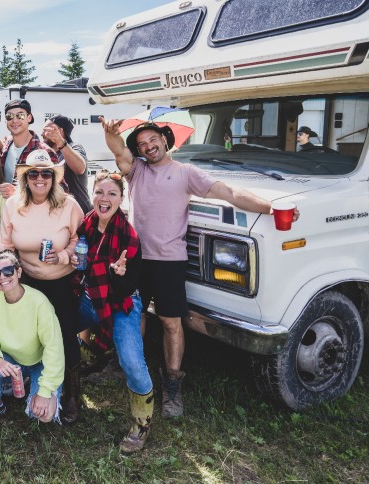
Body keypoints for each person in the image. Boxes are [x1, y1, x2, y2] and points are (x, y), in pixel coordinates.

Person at [101, 119, 300, 418]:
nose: (148, 147)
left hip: (170, 260)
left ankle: (172, 384)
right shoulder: (137, 170)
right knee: (134, 314)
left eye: (152, 140)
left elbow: (229, 192)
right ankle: (127, 366)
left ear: (165, 139)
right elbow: (119, 152)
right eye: (141, 144)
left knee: (170, 322)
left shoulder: (186, 173)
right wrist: (111, 134)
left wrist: (269, 207)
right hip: (137, 257)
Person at [0, 149, 84, 423]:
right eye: (33, 173)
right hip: (28, 282)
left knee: (65, 334)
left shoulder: (69, 205)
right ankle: (35, 383)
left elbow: (80, 241)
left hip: (61, 282)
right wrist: (5, 277)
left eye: (46, 173)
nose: (40, 178)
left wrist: (64, 255)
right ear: (25, 178)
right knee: (31, 334)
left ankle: (72, 392)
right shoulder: (13, 205)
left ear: (54, 177)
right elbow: (5, 245)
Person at [71, 170, 153, 453]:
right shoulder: (86, 225)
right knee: (59, 329)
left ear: (121, 198)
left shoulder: (129, 237)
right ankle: (70, 391)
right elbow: (81, 268)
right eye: (99, 192)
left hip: (122, 301)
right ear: (92, 194)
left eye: (112, 194)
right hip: (91, 296)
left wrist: (117, 275)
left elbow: (129, 286)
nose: (104, 199)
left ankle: (141, 425)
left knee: (132, 362)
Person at [0, 251, 65, 427]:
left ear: (19, 272)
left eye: (8, 271)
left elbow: (54, 349)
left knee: (44, 415)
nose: (2, 277)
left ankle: (48, 385)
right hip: (11, 362)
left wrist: (44, 391)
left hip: (40, 363)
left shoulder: (39, 302)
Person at [0, 99, 59, 200]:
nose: (14, 120)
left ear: (29, 118)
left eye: (20, 115)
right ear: (5, 120)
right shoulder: (8, 145)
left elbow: (60, 191)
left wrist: (17, 193)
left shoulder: (44, 152)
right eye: (9, 116)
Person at [42, 115, 91, 213]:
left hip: (79, 215)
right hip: (58, 214)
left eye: (46, 130)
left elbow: (80, 168)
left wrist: (60, 142)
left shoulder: (74, 147)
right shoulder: (47, 153)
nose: (42, 134)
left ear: (60, 131)